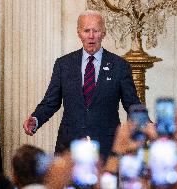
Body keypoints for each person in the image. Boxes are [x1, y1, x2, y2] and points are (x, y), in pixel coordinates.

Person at [23, 10, 140, 159]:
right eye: (86, 31)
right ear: (79, 33)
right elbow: (50, 102)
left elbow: (132, 104)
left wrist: (147, 124)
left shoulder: (120, 65)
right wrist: (35, 119)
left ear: (103, 33)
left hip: (106, 147)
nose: (91, 36)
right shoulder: (63, 64)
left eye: (96, 31)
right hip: (69, 147)